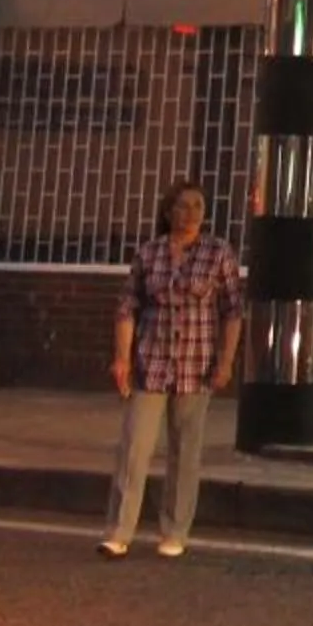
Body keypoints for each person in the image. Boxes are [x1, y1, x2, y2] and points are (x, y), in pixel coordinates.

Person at [103, 179, 244, 559]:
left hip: (195, 365)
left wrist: (226, 361)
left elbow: (232, 312)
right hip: (151, 360)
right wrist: (122, 358)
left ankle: (175, 531)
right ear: (168, 212)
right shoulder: (149, 254)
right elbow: (127, 308)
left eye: (198, 205)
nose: (192, 213)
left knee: (185, 452)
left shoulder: (218, 254)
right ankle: (119, 531)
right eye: (183, 206)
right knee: (135, 448)